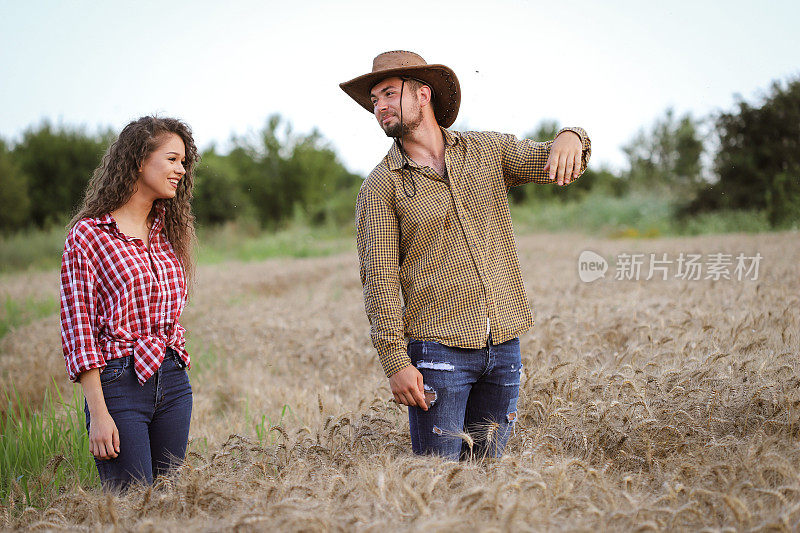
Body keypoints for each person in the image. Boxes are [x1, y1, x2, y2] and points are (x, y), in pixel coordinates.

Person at [341, 51, 591, 460]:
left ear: (423, 94)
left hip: (505, 346)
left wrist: (573, 137)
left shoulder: (486, 151)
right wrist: (395, 361)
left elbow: (558, 159)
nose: (379, 107)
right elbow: (379, 282)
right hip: (438, 352)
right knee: (437, 482)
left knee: (487, 479)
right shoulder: (379, 187)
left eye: (388, 93)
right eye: (374, 101)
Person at [60, 116, 198, 490]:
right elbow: (78, 328)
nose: (181, 171)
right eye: (172, 160)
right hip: (118, 384)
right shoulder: (89, 234)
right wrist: (98, 415)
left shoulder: (170, 229)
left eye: (183, 162)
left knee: (170, 502)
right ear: (139, 160)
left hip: (172, 377)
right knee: (133, 506)